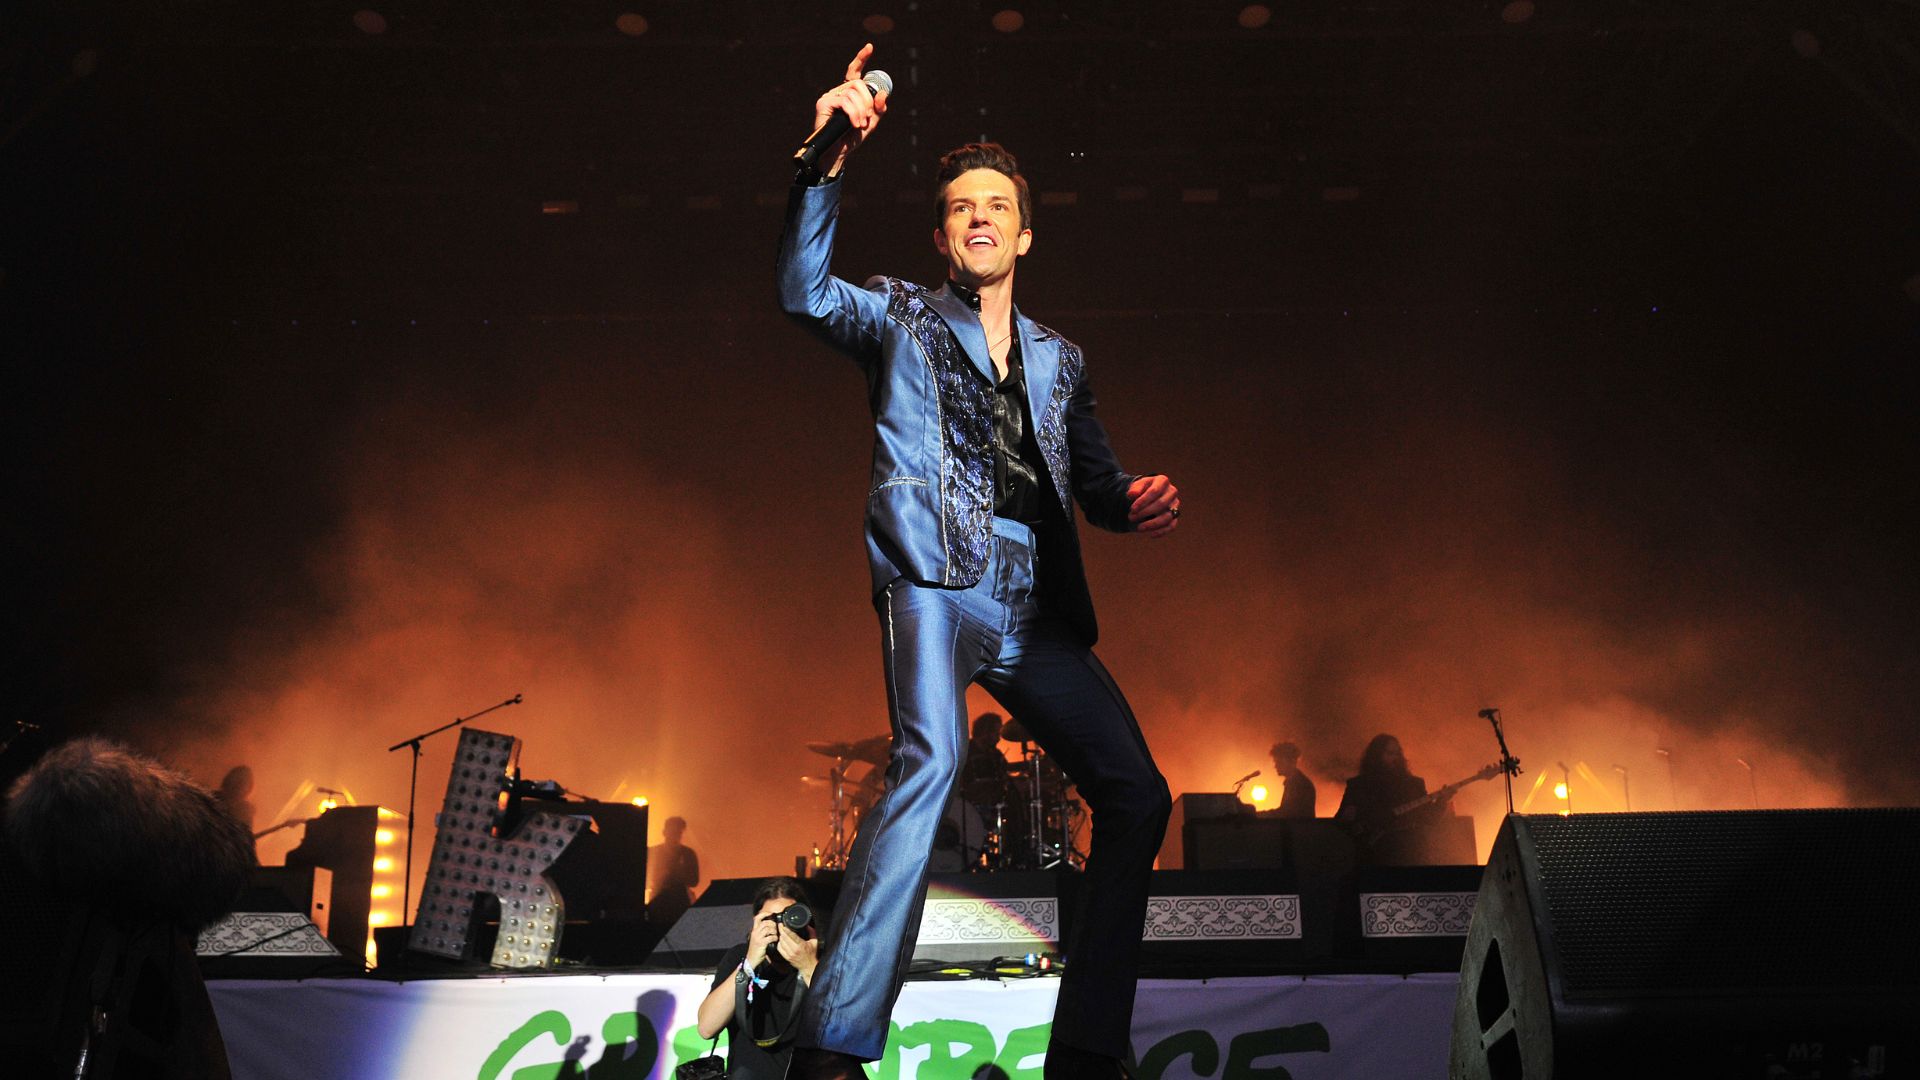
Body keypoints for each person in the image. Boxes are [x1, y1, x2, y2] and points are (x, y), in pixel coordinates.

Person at [776, 43, 1179, 1080]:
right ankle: (831, 1045)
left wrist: (1129, 502)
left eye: (997, 205)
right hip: (934, 583)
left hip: (1030, 603)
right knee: (933, 762)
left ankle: (1086, 1048)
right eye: (962, 207)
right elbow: (804, 293)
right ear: (944, 235)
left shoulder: (1061, 360)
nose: (980, 217)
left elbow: (1093, 483)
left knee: (1138, 794)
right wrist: (826, 160)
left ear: (1025, 233)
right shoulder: (900, 315)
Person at [696, 878, 821, 1080]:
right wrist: (750, 963)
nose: (780, 929)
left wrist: (808, 967)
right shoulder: (740, 957)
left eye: (789, 918)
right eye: (770, 920)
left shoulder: (822, 962)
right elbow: (706, 1028)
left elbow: (846, 1031)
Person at [1334, 735, 1445, 861]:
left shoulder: (1414, 784)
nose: (1395, 758)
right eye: (1389, 753)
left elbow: (1430, 818)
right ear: (1376, 756)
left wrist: (1442, 801)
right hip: (1373, 854)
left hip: (1409, 852)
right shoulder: (1358, 785)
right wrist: (1348, 818)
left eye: (1397, 753)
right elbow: (1340, 820)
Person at [648, 815, 701, 927]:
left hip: (677, 901)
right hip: (661, 901)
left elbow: (694, 881)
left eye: (678, 833)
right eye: (673, 832)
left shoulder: (688, 853)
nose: (675, 836)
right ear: (664, 832)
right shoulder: (653, 852)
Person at [1269, 741, 1317, 819]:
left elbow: (1286, 813)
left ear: (1291, 761)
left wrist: (1258, 815)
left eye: (1279, 761)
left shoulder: (1300, 785)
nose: (1275, 766)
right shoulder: (1296, 782)